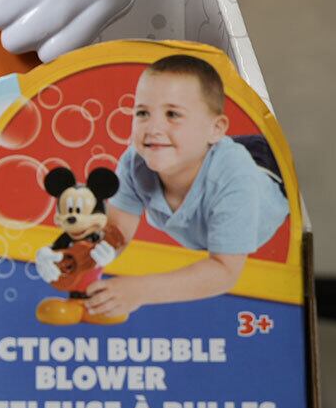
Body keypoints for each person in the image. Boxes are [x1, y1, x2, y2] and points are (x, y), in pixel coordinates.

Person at [84, 55, 289, 320]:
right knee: (196, 145)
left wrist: (139, 290)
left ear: (216, 129)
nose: (153, 127)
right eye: (143, 113)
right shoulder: (135, 163)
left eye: (172, 114)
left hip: (269, 170)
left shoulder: (234, 180)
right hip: (204, 150)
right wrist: (74, 257)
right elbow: (116, 232)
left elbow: (224, 271)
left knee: (246, 157)